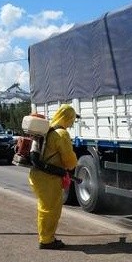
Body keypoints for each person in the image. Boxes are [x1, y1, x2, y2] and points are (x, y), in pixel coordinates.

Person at [28, 104, 79, 250]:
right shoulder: (61, 134)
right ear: (67, 118)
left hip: (39, 175)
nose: (72, 123)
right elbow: (69, 160)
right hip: (48, 178)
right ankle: (46, 240)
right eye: (72, 119)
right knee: (50, 209)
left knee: (46, 207)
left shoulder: (47, 129)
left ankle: (46, 237)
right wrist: (72, 165)